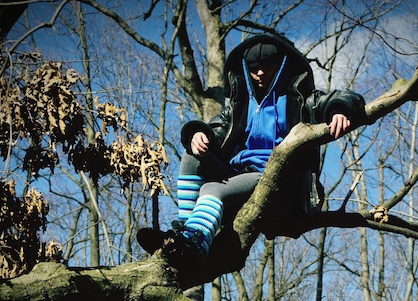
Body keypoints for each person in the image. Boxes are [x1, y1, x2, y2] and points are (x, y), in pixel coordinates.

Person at [137, 33, 366, 267]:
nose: (259, 73)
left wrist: (340, 110)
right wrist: (198, 135)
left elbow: (342, 98)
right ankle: (185, 237)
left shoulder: (298, 100)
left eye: (266, 66)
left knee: (211, 190)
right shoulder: (241, 105)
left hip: (278, 183)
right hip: (239, 176)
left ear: (281, 64)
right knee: (191, 156)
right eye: (254, 68)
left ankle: (194, 245)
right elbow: (217, 130)